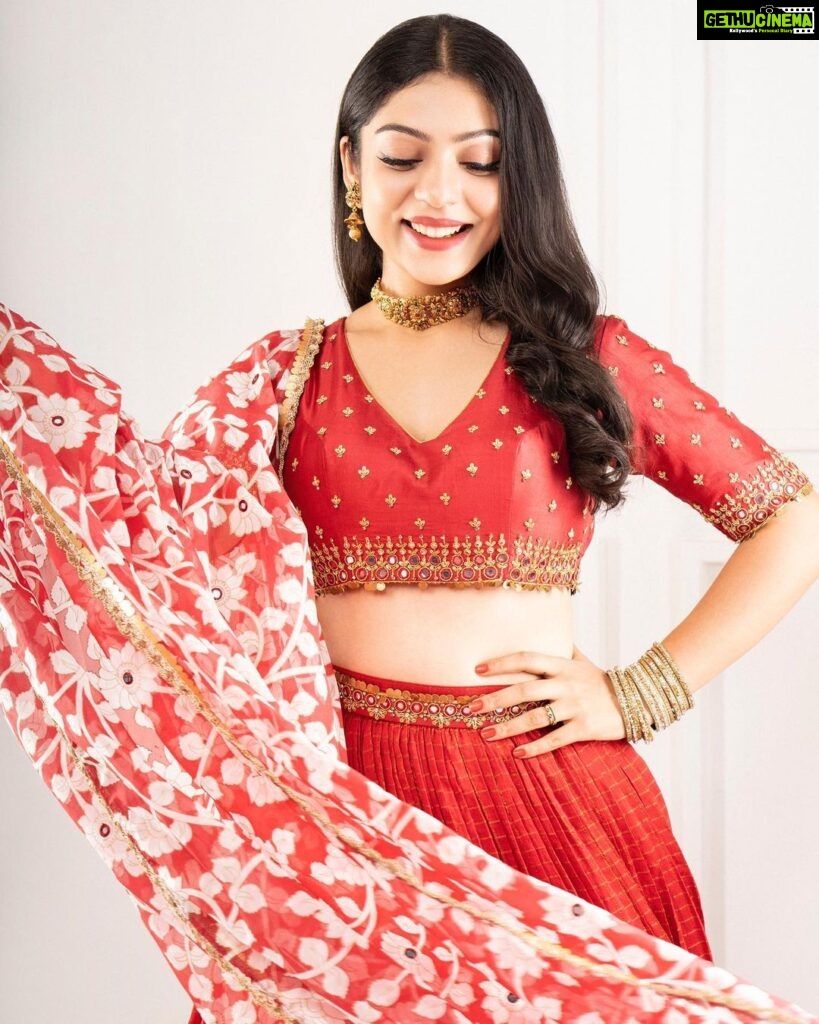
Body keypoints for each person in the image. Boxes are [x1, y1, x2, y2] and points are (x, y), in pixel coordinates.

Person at [2, 13, 818, 1024]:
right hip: (343, 823)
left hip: (553, 803)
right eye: (402, 156)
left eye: (479, 163)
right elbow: (132, 539)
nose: (440, 195)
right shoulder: (278, 377)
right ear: (352, 168)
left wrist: (641, 690)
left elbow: (792, 518)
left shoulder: (582, 356)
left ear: (518, 183)